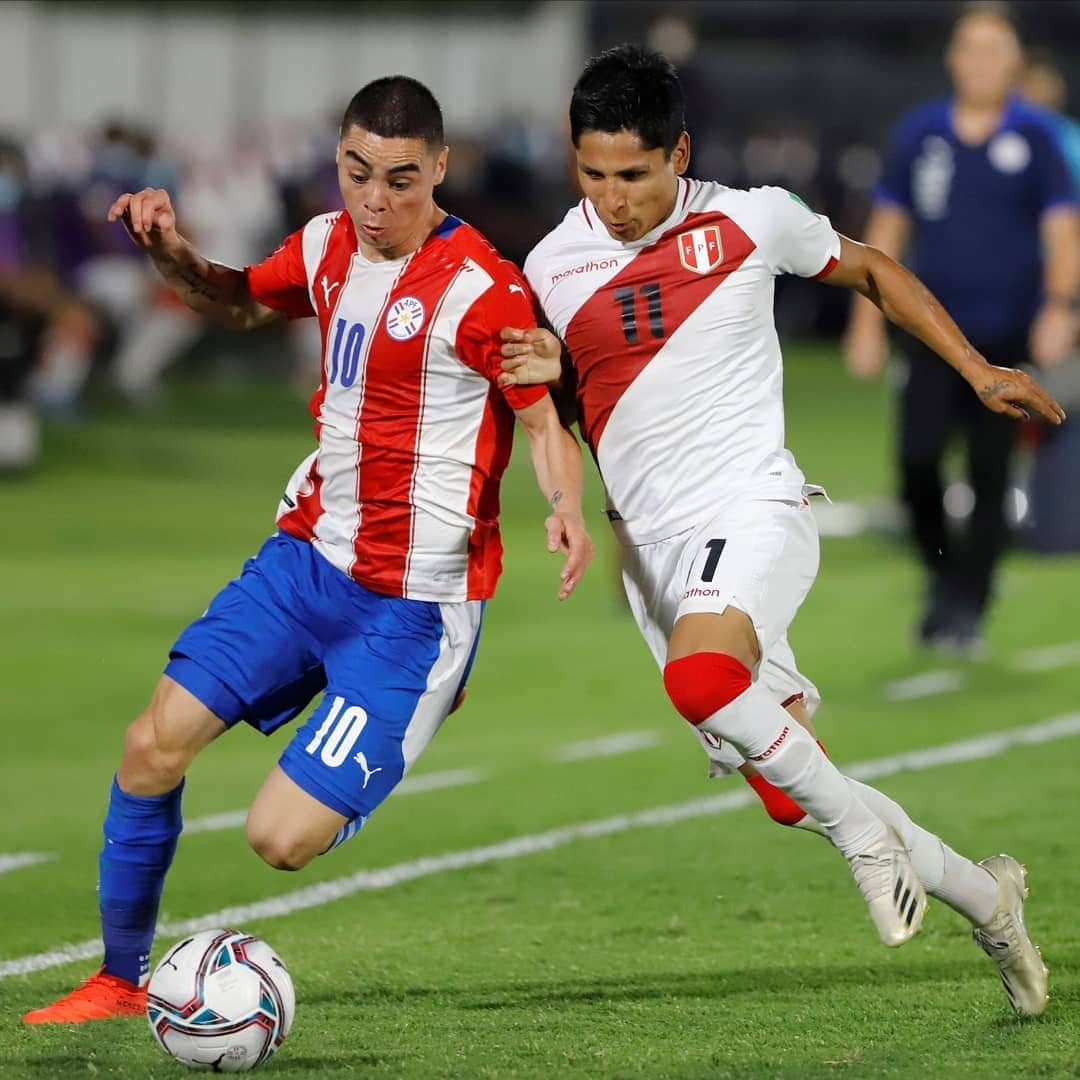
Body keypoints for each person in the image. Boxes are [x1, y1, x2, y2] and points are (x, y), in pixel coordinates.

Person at [498, 44, 1063, 1015]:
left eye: (634, 174)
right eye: (593, 173)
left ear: (678, 153)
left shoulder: (750, 218)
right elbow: (564, 407)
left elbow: (877, 269)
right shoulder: (550, 265)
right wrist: (557, 448)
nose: (614, 196)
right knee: (787, 785)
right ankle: (986, 896)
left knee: (703, 678)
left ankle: (864, 842)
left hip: (753, 506)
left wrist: (976, 372)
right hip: (655, 550)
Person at [23, 75, 593, 1025]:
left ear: (441, 169)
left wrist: (567, 506)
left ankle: (403, 718)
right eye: (357, 172)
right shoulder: (327, 244)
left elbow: (541, 423)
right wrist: (171, 253)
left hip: (412, 611)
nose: (375, 201)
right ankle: (120, 981)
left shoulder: (482, 289)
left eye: (402, 180)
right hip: (305, 564)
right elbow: (239, 303)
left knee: (277, 840)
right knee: (148, 748)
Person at [843, 4, 1080, 654]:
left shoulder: (1036, 137)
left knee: (989, 472)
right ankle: (943, 577)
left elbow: (1062, 230)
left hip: (1005, 339)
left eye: (994, 51)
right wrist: (866, 320)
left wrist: (1059, 306)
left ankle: (968, 604)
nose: (980, 63)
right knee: (916, 462)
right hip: (934, 338)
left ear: (1014, 64)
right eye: (970, 49)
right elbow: (885, 234)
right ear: (953, 58)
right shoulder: (921, 135)